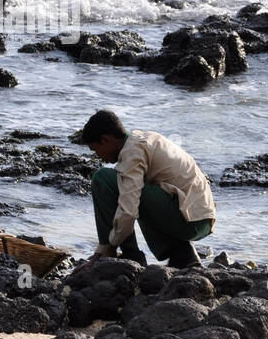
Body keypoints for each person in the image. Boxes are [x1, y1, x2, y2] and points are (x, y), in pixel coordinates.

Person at [80, 109, 215, 268]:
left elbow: (128, 211)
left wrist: (107, 247)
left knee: (103, 179)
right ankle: (183, 253)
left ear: (106, 139)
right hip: (199, 217)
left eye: (96, 150)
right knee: (134, 189)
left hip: (189, 219)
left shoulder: (132, 154)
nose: (98, 156)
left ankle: (130, 256)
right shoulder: (142, 139)